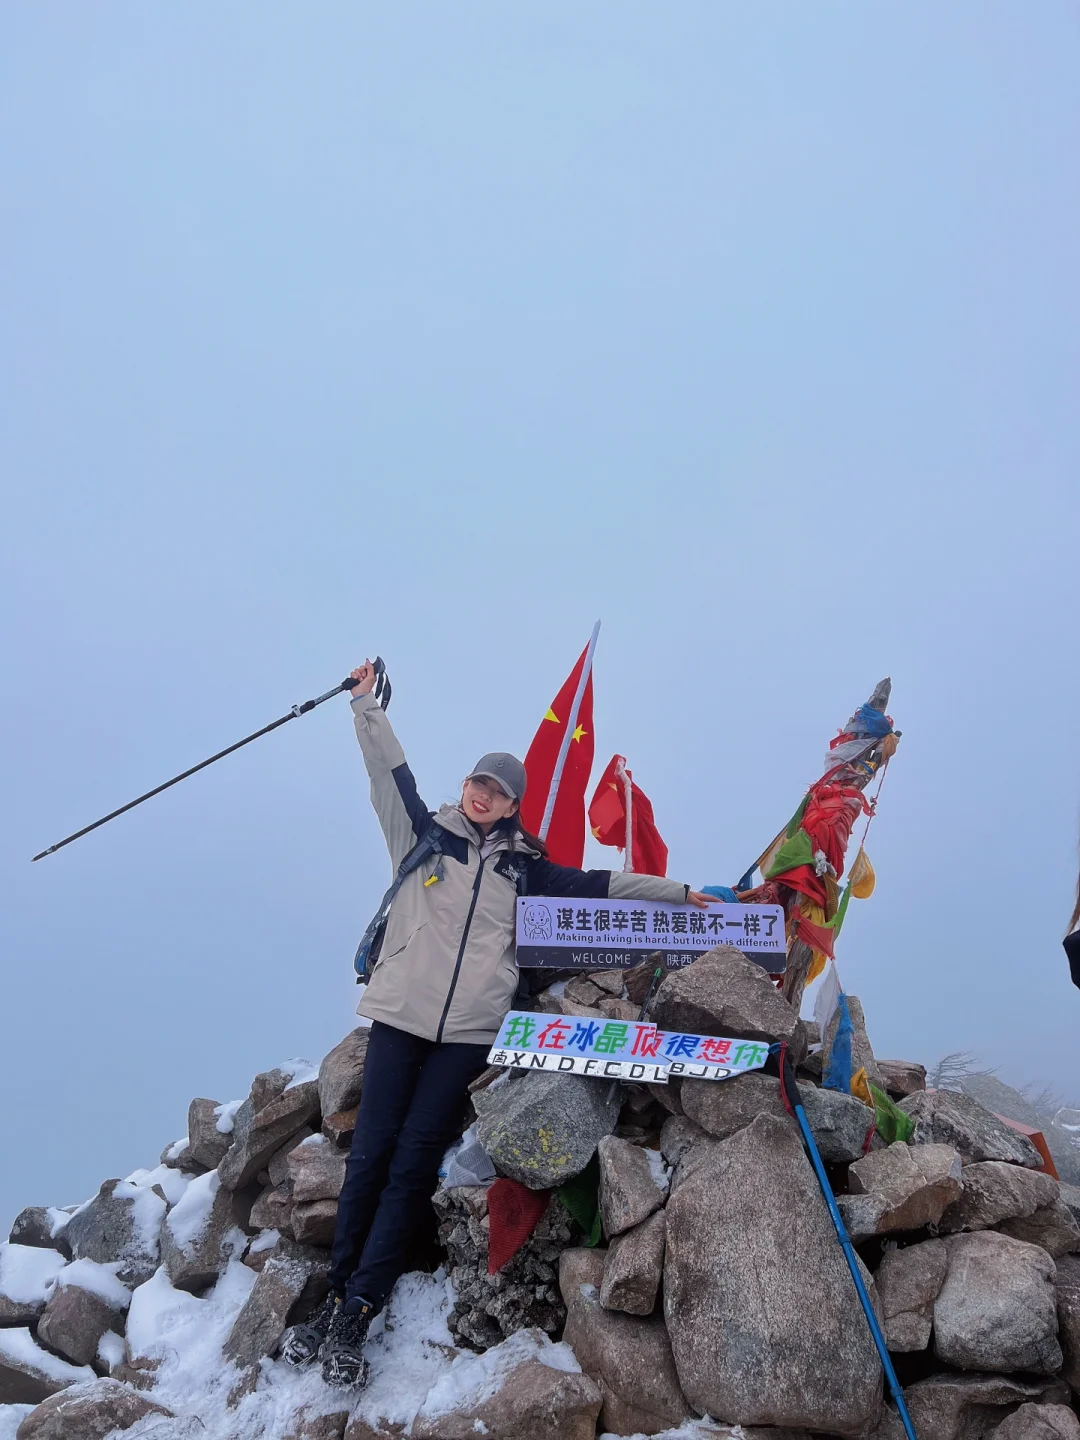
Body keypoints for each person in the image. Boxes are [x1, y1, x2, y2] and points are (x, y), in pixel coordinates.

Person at [282, 658, 714, 1389]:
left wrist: (679, 894)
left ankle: (361, 1308)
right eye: (479, 783)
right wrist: (364, 707)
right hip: (400, 1017)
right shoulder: (425, 836)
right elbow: (390, 775)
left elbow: (600, 886)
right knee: (371, 1157)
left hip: (470, 1033)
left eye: (500, 791)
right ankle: (334, 1293)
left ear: (514, 804)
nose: (485, 796)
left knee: (415, 1161)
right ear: (467, 788)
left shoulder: (527, 870)